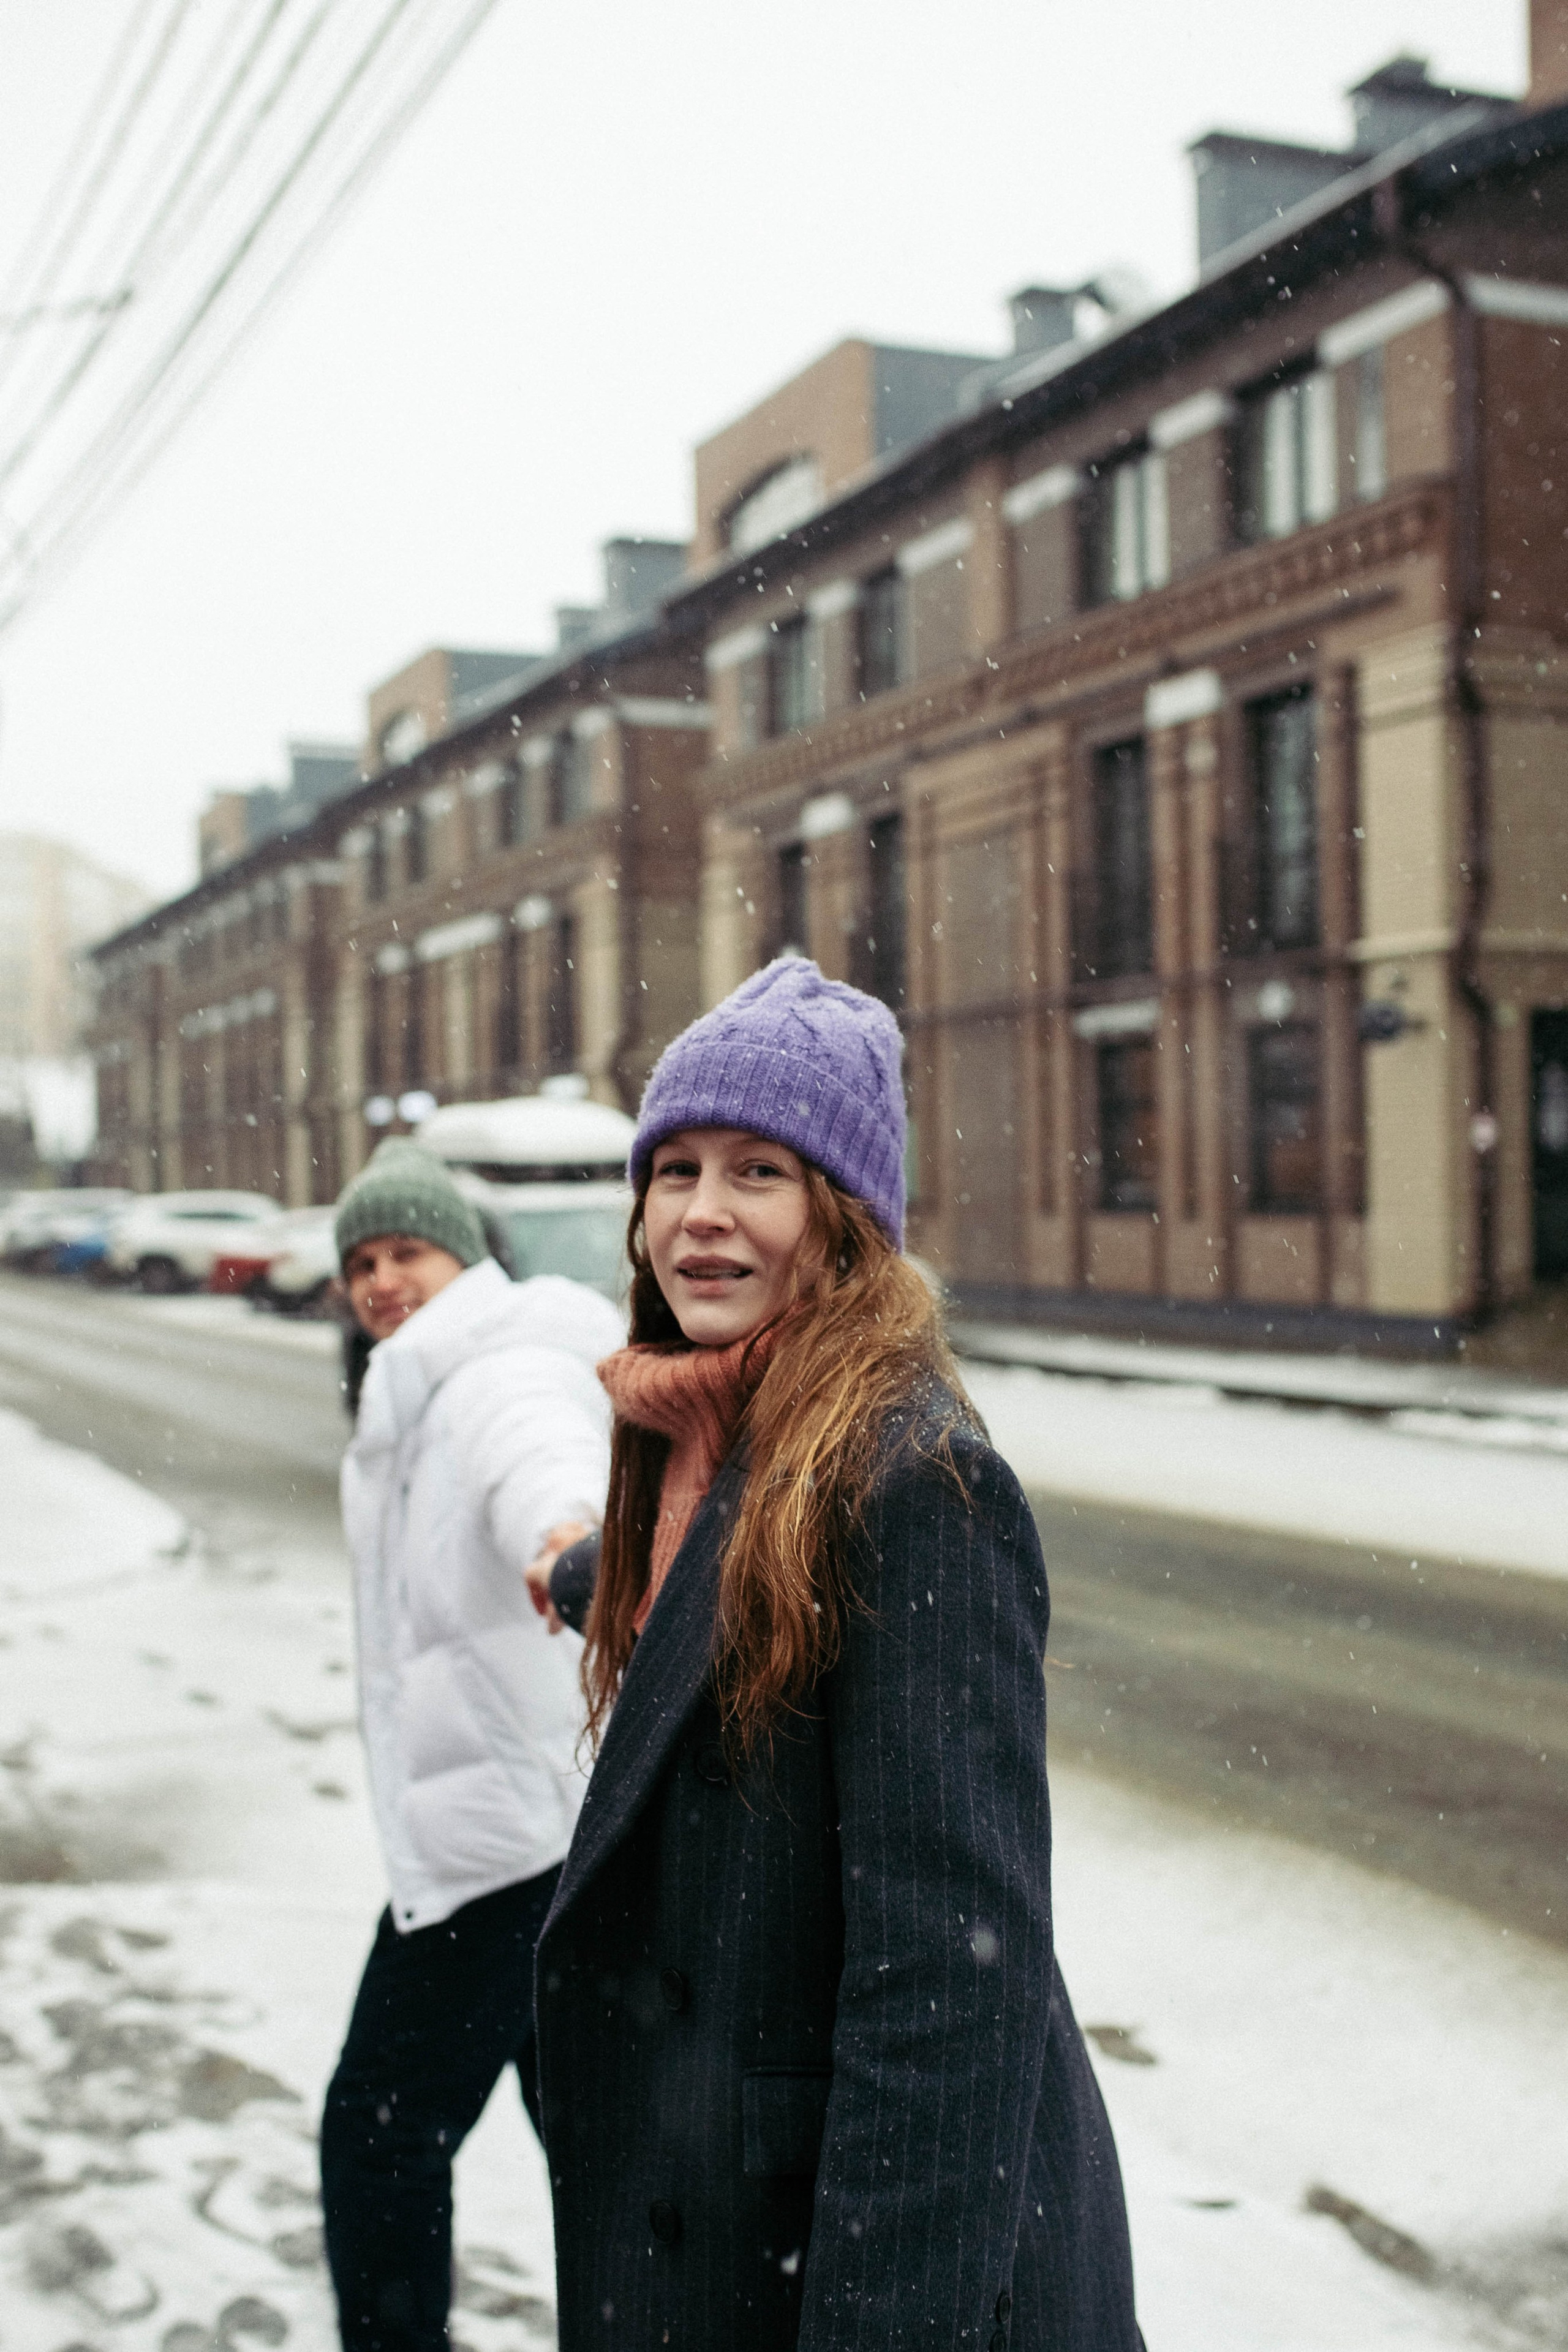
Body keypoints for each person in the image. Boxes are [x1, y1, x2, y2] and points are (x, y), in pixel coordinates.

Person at [530, 959, 1142, 2351]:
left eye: (758, 1171)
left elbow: (948, 1982)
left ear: (845, 1220)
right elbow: (719, 1628)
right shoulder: (710, 1438)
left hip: (842, 2258)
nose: (698, 1214)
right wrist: (584, 1576)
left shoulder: (912, 1485)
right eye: (672, 1168)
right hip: (735, 2225)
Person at [320, 1137, 624, 2352]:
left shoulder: (490, 1375)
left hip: (507, 1841)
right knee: (595, 2135)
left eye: (409, 1250)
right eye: (361, 1261)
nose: (384, 1279)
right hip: (542, 1818)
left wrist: (565, 1546)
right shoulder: (425, 1380)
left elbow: (542, 1473)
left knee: (380, 2132)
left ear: (467, 1255)